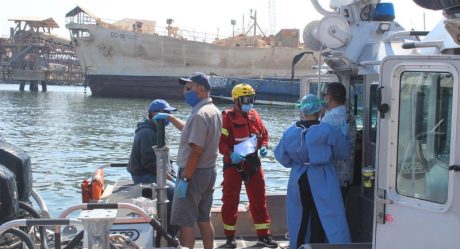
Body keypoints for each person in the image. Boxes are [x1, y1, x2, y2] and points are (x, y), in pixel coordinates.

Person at [154, 72, 222, 249]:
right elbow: (190, 130)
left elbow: (196, 150)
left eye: (188, 88)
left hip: (193, 173)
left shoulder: (199, 115)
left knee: (185, 221)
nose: (184, 92)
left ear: (200, 89)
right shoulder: (214, 111)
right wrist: (170, 117)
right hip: (209, 171)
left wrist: (185, 178)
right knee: (203, 218)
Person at [274, 94, 351, 247]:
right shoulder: (328, 130)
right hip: (323, 176)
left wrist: (297, 163)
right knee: (324, 215)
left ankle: (298, 245)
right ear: (320, 111)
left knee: (299, 216)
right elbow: (343, 152)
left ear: (302, 111)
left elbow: (282, 157)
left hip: (298, 178)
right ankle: (318, 245)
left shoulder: (290, 132)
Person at [218, 83, 278, 248]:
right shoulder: (227, 117)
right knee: (230, 200)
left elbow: (264, 134)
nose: (249, 102)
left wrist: (264, 146)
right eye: (245, 99)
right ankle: (230, 238)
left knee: (259, 199)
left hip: (253, 164)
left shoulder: (255, 115)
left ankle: (264, 236)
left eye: (251, 99)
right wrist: (231, 154)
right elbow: (221, 144)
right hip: (233, 166)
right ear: (236, 100)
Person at [126, 98, 179, 236]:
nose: (170, 117)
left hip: (157, 171)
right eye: (167, 113)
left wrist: (174, 175)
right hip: (143, 174)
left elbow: (166, 159)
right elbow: (149, 163)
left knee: (179, 185)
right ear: (156, 114)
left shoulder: (159, 130)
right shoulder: (146, 133)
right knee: (175, 193)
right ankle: (169, 234)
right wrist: (169, 177)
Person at [321, 82, 357, 195]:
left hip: (333, 176)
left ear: (329, 97)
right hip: (346, 175)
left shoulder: (330, 118)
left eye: (325, 96)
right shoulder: (349, 114)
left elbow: (318, 142)